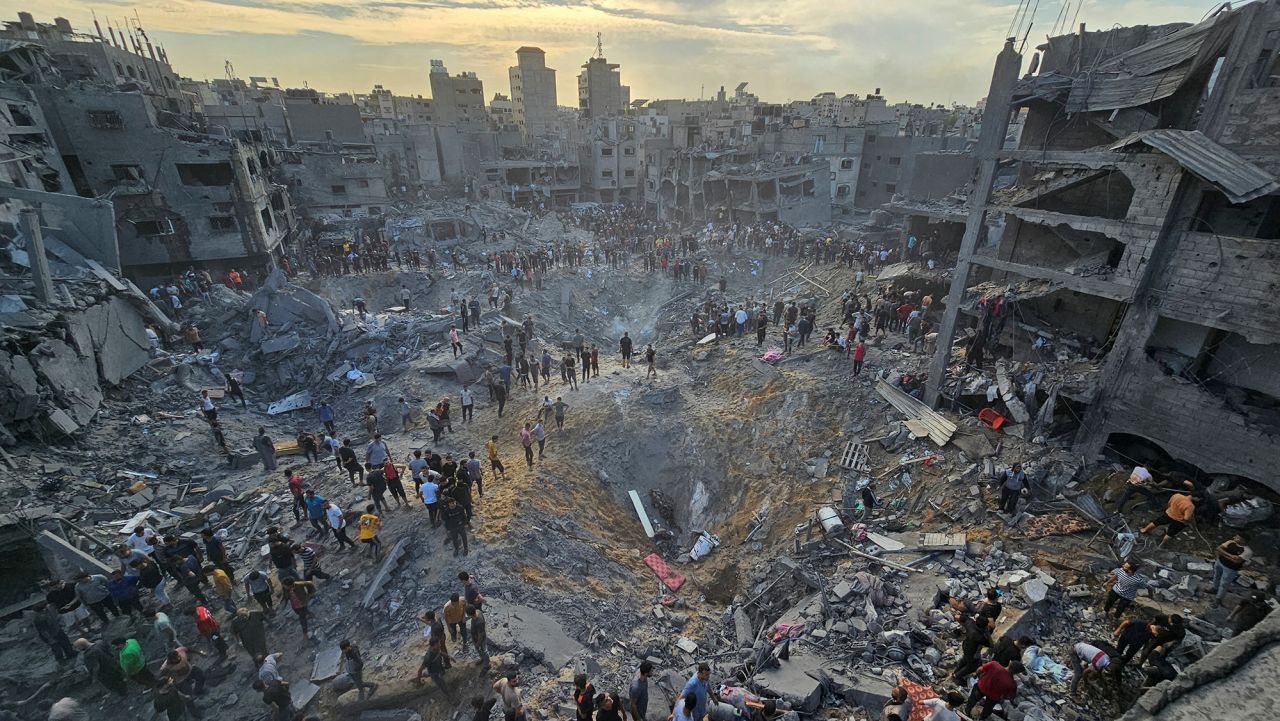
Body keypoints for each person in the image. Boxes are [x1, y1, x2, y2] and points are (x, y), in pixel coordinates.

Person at [1212, 534, 1253, 605]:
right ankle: (1214, 589)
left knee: (1224, 583)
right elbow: (1218, 548)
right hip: (1220, 562)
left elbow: (1236, 561)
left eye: (1237, 537)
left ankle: (1218, 599)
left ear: (1243, 540)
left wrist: (1223, 554)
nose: (1234, 538)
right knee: (1216, 576)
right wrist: (1230, 556)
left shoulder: (1248, 551)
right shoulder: (1230, 542)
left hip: (1230, 569)